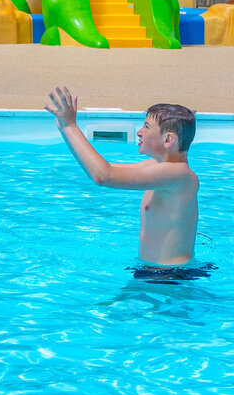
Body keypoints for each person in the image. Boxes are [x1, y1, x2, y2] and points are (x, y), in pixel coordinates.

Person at [44, 86, 204, 277]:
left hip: (169, 277)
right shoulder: (157, 167)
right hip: (157, 273)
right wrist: (65, 129)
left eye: (147, 127)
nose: (139, 132)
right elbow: (99, 170)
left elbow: (103, 176)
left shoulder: (179, 175)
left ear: (168, 139)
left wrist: (71, 126)